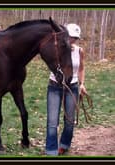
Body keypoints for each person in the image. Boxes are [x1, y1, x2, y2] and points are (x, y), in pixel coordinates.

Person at [45, 23, 87, 156]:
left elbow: (81, 68)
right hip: (54, 86)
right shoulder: (56, 49)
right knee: (52, 121)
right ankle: (51, 150)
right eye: (70, 36)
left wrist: (81, 84)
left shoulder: (79, 51)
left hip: (72, 86)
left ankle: (64, 144)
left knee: (69, 121)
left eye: (75, 37)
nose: (72, 40)